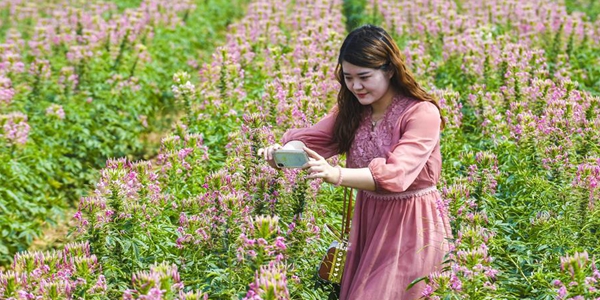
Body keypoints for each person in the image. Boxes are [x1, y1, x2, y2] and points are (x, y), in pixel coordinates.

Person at [258, 24, 451, 300]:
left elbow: (397, 175)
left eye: (364, 76)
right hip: (369, 221)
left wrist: (336, 174)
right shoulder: (353, 111)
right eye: (348, 77)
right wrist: (283, 152)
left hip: (411, 226)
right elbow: (314, 140)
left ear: (390, 70)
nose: (356, 86)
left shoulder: (421, 113)